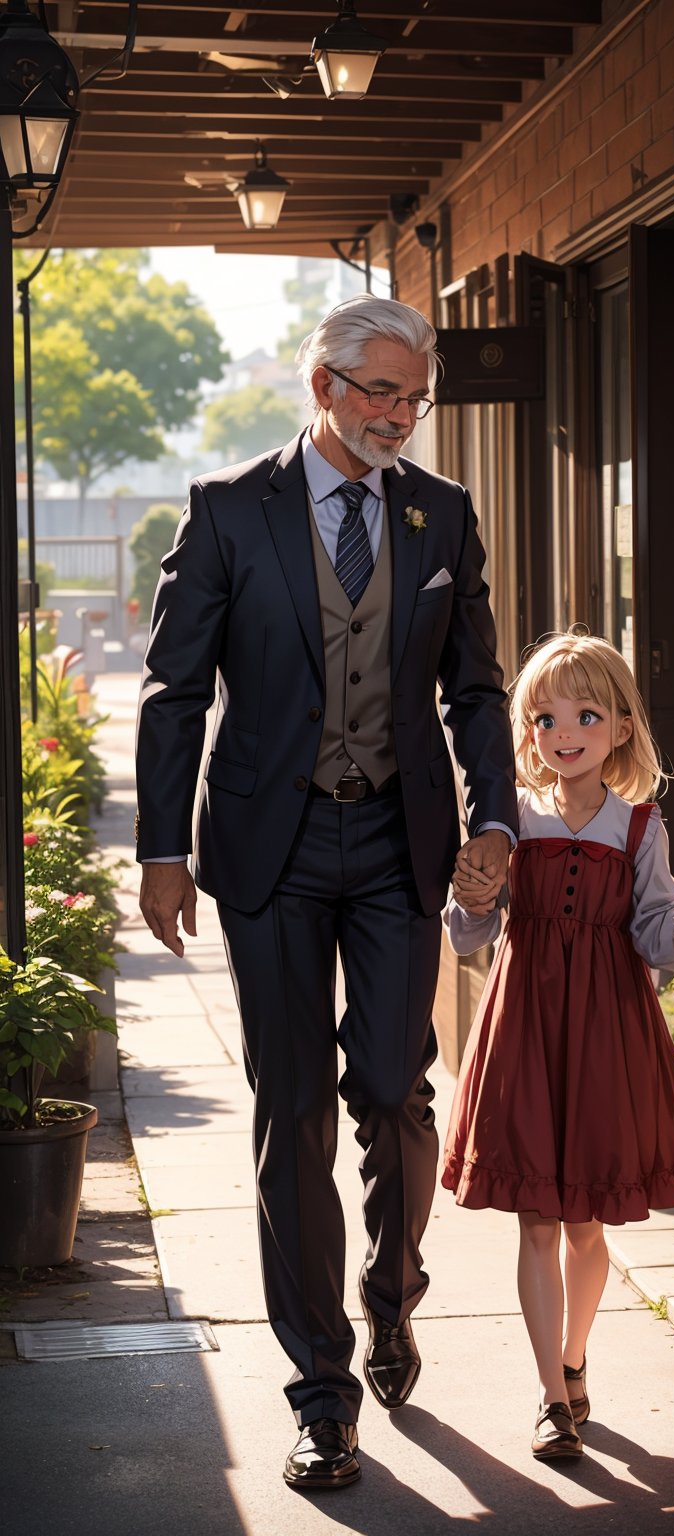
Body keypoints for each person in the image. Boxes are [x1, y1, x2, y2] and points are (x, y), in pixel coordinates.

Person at [134, 294, 517, 1491]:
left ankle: (392, 1285)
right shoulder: (228, 513)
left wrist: (494, 817)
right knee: (289, 1105)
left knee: (395, 1092)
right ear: (324, 388)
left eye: (415, 398)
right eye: (381, 394)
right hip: (269, 853)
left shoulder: (441, 515)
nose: (400, 415)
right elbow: (173, 690)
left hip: (399, 845)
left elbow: (478, 689)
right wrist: (161, 848)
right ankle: (320, 1387)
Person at [442, 632, 674, 1459]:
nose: (562, 731)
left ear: (619, 728)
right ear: (527, 728)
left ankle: (576, 1358)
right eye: (544, 716)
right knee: (536, 1219)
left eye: (585, 713)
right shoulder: (510, 818)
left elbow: (657, 936)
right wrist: (470, 894)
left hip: (609, 1034)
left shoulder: (641, 827)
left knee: (584, 1227)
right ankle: (551, 1397)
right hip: (525, 1032)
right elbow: (471, 931)